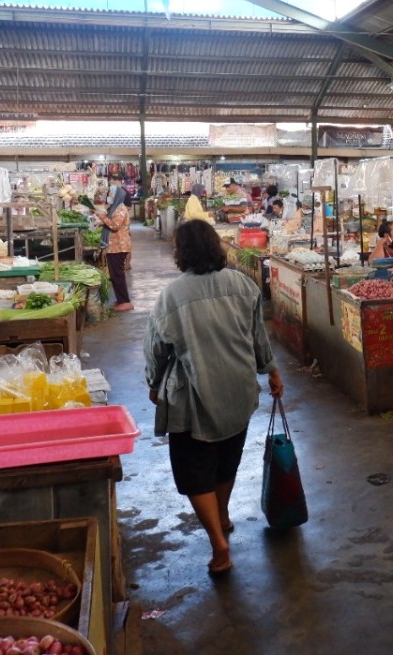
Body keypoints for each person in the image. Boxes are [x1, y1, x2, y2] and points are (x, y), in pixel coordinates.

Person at [144, 219, 284, 576]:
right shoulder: (242, 284)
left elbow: (157, 350)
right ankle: (222, 516)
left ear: (181, 252)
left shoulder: (171, 297)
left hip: (194, 396)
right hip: (238, 389)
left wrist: (154, 382)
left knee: (195, 472)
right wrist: (272, 372)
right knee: (226, 458)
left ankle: (218, 544)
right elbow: (258, 338)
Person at [96, 184, 133, 311]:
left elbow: (115, 225)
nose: (109, 197)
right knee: (114, 274)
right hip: (114, 246)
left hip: (119, 246)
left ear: (117, 196)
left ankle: (125, 301)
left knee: (118, 274)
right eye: (109, 194)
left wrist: (103, 218)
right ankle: (120, 300)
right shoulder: (115, 208)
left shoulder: (121, 209)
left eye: (111, 194)